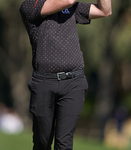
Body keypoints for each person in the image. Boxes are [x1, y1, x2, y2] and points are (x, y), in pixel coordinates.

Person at [19, 0, 112, 150]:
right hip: (44, 83)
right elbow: (67, 1)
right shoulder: (30, 6)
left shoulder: (72, 8)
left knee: (64, 144)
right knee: (42, 142)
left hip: (73, 83)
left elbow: (105, 11)